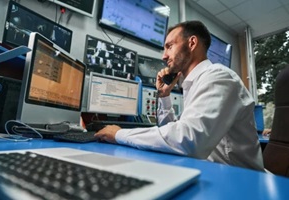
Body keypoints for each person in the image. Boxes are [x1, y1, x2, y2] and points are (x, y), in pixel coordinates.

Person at [95, 20, 264, 171]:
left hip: (238, 180)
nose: (164, 55)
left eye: (169, 46)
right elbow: (173, 135)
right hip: (212, 171)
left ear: (191, 43)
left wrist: (119, 134)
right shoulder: (193, 83)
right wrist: (164, 96)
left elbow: (188, 140)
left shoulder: (219, 77)